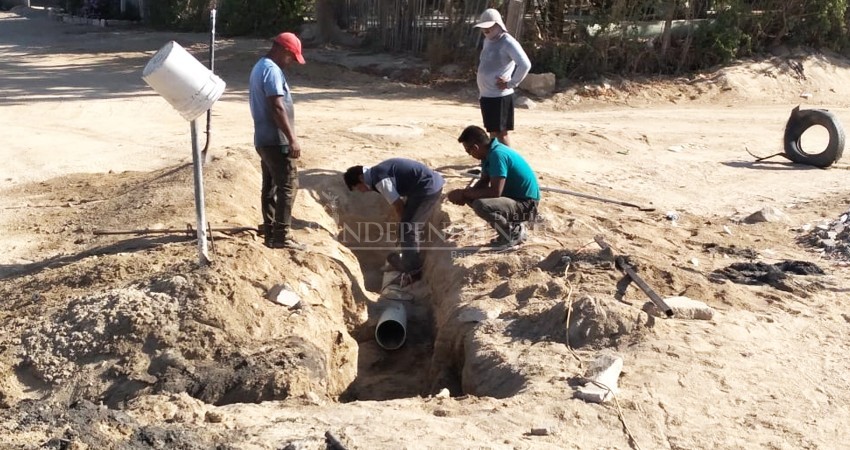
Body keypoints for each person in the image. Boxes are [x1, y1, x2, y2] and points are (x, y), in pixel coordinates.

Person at [249, 32, 306, 249]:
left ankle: (271, 232)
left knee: (271, 186)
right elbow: (276, 106)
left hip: (263, 138)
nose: (291, 61)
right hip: (276, 140)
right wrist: (292, 139)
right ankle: (282, 237)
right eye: (291, 56)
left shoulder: (260, 66)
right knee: (288, 185)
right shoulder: (271, 71)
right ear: (282, 50)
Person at [344, 158, 445, 273]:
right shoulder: (376, 172)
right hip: (422, 186)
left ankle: (413, 269)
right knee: (405, 228)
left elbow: (398, 205)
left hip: (427, 187)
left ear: (361, 178)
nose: (361, 191)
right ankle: (410, 254)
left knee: (408, 229)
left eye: (358, 188)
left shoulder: (379, 180)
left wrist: (402, 232)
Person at [447, 125, 540, 247]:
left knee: (481, 205)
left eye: (468, 151)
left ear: (475, 147)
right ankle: (507, 231)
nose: (469, 154)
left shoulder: (497, 155)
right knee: (473, 196)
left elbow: (496, 192)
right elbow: (484, 181)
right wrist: (464, 194)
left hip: (526, 204)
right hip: (515, 200)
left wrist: (464, 193)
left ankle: (513, 232)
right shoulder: (488, 154)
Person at [473, 8, 531, 148]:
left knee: (502, 133)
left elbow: (525, 64)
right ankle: (495, 160)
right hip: (487, 95)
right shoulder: (488, 40)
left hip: (500, 96)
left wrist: (511, 83)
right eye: (483, 28)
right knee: (492, 132)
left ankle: (509, 162)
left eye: (489, 27)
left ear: (498, 24)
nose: (486, 30)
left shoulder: (508, 42)